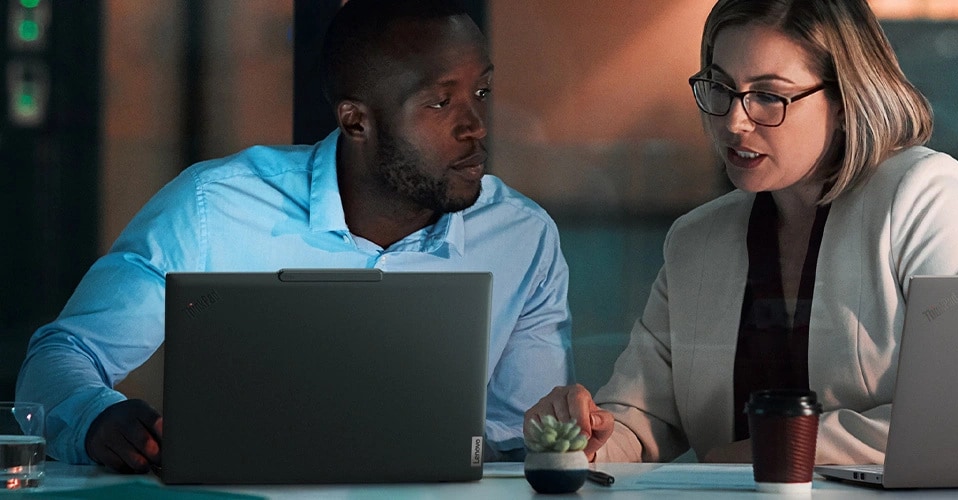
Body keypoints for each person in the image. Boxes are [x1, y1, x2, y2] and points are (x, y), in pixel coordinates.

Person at [17, 0, 572, 473]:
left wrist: (561, 438)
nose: (475, 124)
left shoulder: (523, 238)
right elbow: (63, 355)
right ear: (357, 121)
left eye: (481, 92)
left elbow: (518, 441)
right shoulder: (214, 207)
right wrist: (95, 418)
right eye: (439, 101)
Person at [527, 0, 958, 464]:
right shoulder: (697, 239)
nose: (735, 121)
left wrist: (775, 450)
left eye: (769, 96)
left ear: (843, 99)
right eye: (721, 87)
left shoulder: (924, 194)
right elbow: (638, 418)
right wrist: (579, 437)